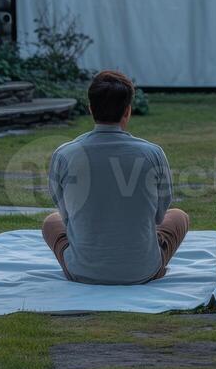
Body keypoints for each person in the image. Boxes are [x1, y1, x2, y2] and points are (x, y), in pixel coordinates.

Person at [42, 69, 189, 284]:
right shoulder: (152, 154)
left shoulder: (65, 154)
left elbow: (66, 217)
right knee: (179, 216)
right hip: (143, 270)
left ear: (91, 109)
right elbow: (159, 217)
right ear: (128, 111)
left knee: (51, 221)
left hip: (82, 271)